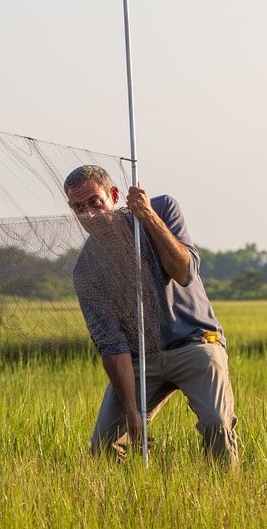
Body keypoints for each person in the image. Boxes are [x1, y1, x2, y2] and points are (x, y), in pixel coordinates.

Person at [63, 164, 238, 465]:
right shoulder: (86, 270)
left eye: (95, 202)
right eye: (79, 208)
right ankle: (123, 505)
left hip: (194, 342)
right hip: (140, 359)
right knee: (104, 445)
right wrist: (132, 413)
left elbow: (184, 272)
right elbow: (111, 343)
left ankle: (227, 499)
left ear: (114, 195)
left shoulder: (162, 208)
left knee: (216, 425)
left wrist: (147, 217)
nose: (89, 215)